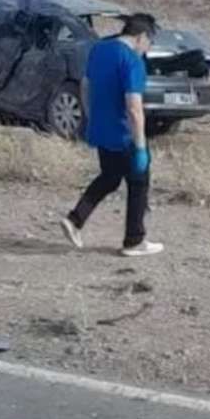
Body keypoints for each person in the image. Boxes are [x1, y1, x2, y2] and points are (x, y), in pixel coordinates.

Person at [60, 13, 163, 257]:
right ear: (141, 37)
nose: (148, 49)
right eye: (150, 43)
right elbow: (134, 107)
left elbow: (86, 85)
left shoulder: (99, 49)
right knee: (139, 182)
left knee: (110, 177)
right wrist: (140, 146)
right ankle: (134, 240)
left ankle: (75, 220)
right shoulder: (132, 60)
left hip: (101, 129)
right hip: (124, 133)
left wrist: (91, 117)